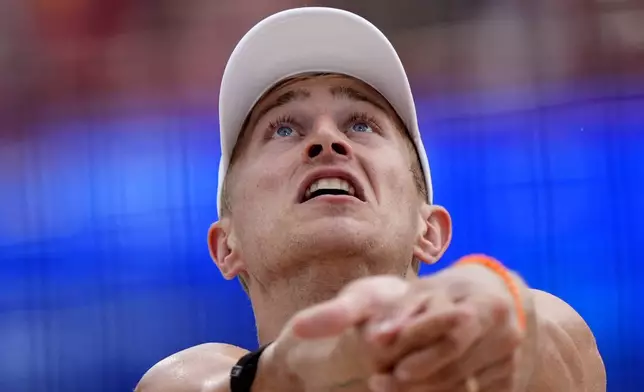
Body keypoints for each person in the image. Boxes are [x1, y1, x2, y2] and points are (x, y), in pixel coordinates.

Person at [136, 7, 605, 392]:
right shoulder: (190, 377)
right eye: (283, 128)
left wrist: (501, 322)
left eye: (361, 123)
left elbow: (559, 342)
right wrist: (316, 362)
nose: (325, 140)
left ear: (431, 230)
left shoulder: (535, 322)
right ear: (225, 245)